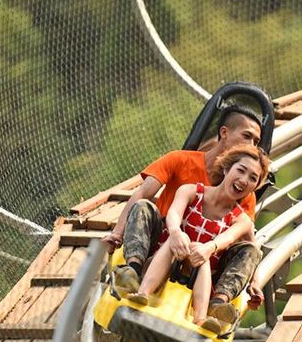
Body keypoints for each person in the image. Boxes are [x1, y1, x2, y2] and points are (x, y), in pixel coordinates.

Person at [102, 105, 266, 323]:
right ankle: (133, 270)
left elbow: (246, 240)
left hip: (205, 260)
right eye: (247, 137)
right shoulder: (181, 163)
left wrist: (255, 282)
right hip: (164, 242)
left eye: (256, 142)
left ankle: (216, 304)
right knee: (143, 206)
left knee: (245, 250)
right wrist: (117, 233)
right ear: (224, 133)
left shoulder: (243, 195)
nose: (252, 145)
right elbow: (143, 193)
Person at [127, 145, 269, 333]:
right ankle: (136, 279)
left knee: (231, 252)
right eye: (241, 170)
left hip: (202, 277)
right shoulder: (190, 191)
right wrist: (176, 232)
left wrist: (255, 282)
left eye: (253, 178)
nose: (244, 180)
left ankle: (214, 308)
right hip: (166, 259)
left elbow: (235, 241)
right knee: (144, 208)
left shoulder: (242, 220)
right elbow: (174, 212)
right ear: (227, 169)